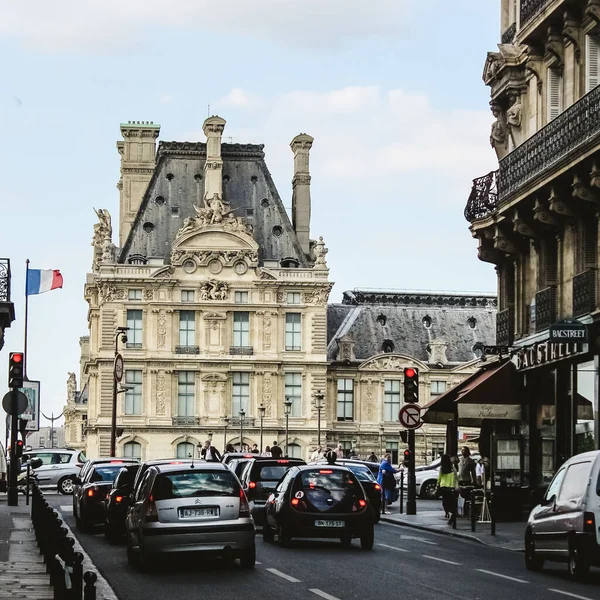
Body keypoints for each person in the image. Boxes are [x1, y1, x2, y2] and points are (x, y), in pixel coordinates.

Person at [436, 454, 458, 522]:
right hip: (451, 487)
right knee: (451, 502)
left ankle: (447, 513)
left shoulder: (442, 468)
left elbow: (439, 478)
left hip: (444, 487)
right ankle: (451, 514)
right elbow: (456, 478)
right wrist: (456, 486)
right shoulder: (452, 468)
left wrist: (437, 485)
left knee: (445, 502)